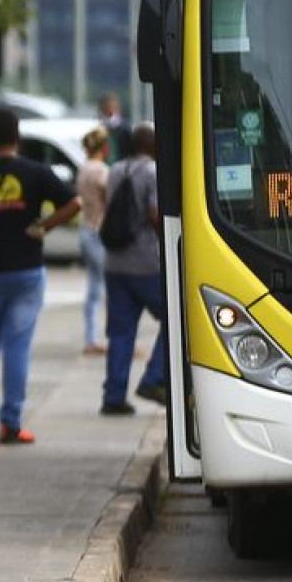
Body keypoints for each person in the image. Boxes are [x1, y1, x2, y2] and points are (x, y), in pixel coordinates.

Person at [0, 110, 82, 446]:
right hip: (26, 271)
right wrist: (43, 227)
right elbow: (74, 203)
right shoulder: (36, 172)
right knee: (17, 347)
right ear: (17, 137)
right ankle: (11, 424)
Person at [101, 122, 170, 414]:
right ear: (152, 145)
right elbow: (154, 213)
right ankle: (154, 378)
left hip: (115, 262)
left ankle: (113, 397)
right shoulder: (152, 172)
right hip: (145, 263)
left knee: (120, 331)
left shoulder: (116, 169)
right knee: (176, 318)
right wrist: (169, 243)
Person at [78, 127, 112, 356]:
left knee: (94, 287)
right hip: (100, 231)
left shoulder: (83, 169)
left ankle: (91, 337)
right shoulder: (101, 170)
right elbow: (111, 199)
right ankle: (108, 337)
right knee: (106, 287)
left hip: (86, 229)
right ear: (104, 147)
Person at [98, 92, 134, 160]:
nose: (109, 109)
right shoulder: (98, 130)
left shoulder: (125, 129)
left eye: (112, 106)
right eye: (106, 106)